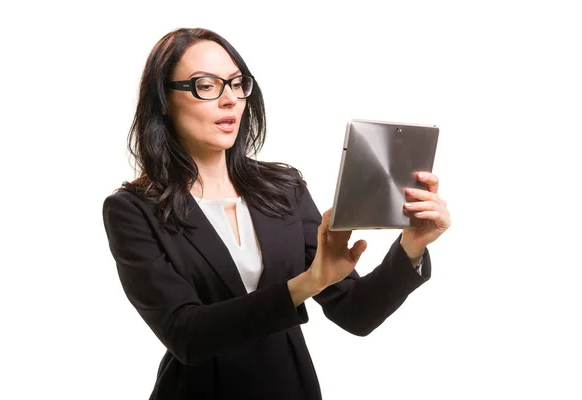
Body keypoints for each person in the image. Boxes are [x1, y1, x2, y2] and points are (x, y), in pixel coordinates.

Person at [102, 27, 451, 400]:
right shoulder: (133, 210)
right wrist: (306, 284)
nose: (230, 100)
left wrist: (411, 248)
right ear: (163, 100)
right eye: (206, 85)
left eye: (237, 84)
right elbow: (186, 335)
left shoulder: (282, 189)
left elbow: (356, 313)